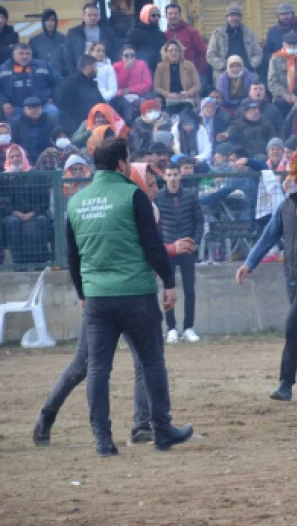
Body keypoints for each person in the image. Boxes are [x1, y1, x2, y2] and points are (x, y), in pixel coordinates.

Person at [65, 137, 194, 454]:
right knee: (152, 363)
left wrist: (82, 293)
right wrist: (168, 281)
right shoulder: (133, 195)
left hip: (97, 298)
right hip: (136, 294)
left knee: (98, 369)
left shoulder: (76, 202)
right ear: (123, 164)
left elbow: (72, 257)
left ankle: (103, 440)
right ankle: (162, 432)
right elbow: (152, 245)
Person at [237, 185, 297, 402]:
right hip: (292, 277)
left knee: (293, 326)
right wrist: (249, 263)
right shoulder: (286, 205)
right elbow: (268, 236)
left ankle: (285, 383)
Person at [154, 163, 204, 343]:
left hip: (187, 248)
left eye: (176, 174)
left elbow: (199, 222)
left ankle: (189, 327)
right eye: (170, 175)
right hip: (167, 249)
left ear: (180, 176)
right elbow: (155, 225)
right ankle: (171, 328)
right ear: (165, 177)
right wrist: (161, 246)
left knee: (189, 288)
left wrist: (194, 242)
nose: (173, 178)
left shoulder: (191, 196)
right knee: (168, 289)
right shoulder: (158, 198)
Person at [3, 143, 53, 263]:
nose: (15, 159)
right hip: (11, 215)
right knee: (13, 223)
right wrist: (16, 213)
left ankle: (40, 262)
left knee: (41, 221)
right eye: (12, 157)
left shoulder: (35, 174)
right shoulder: (3, 178)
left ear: (24, 157)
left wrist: (33, 212)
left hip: (35, 213)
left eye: (18, 156)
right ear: (8, 159)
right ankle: (19, 262)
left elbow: (44, 199)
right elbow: (2, 202)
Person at [1, 42, 62, 123]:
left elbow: (59, 82)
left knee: (53, 111)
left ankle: (52, 135)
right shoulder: (2, 69)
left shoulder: (44, 66)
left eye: (27, 53)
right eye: (21, 53)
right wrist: (4, 102)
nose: (24, 56)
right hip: (15, 108)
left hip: (41, 106)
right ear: (13, 55)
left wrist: (52, 97)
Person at [261, 4, 297, 85]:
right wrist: (276, 63)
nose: (285, 17)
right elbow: (266, 52)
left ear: (292, 14)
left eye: (287, 14)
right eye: (282, 14)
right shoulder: (273, 32)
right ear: (278, 16)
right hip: (281, 74)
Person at [206, 4, 262, 77]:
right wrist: (223, 66)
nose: (235, 18)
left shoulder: (249, 33)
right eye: (232, 15)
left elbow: (258, 54)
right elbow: (210, 55)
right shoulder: (218, 34)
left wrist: (251, 65)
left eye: (238, 15)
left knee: (256, 83)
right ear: (227, 17)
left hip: (247, 71)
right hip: (224, 73)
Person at [64, 3, 119, 75]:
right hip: (80, 73)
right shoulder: (73, 33)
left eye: (95, 15)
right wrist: (74, 73)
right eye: (89, 15)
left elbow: (115, 52)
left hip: (103, 72)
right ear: (83, 16)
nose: (93, 17)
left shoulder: (108, 33)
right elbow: (68, 55)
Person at [267, 32, 297, 116]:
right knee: (281, 103)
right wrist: (286, 95)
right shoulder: (276, 58)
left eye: (294, 45)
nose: (291, 47)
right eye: (289, 45)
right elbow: (272, 82)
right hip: (284, 95)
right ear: (284, 44)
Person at [163, 4, 209, 86]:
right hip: (173, 76)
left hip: (192, 74)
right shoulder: (165, 35)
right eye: (170, 14)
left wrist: (199, 71)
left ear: (180, 15)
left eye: (176, 13)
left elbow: (202, 52)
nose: (173, 16)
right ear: (166, 16)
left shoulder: (192, 32)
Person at [154, 40, 201, 115]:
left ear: (180, 52)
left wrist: (188, 93)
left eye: (176, 50)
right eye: (171, 50)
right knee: (168, 113)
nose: (174, 52)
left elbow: (197, 85)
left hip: (186, 99)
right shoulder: (160, 67)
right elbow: (157, 87)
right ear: (166, 52)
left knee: (186, 113)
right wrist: (167, 94)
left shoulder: (189, 65)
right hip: (169, 99)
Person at [11, 96, 57, 163]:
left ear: (41, 108)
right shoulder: (17, 122)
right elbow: (14, 143)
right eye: (31, 108)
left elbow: (54, 140)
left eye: (37, 108)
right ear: (24, 110)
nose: (34, 110)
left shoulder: (49, 120)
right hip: (24, 158)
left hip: (46, 157)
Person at [125, 5, 167, 74]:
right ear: (145, 16)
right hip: (141, 71)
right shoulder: (135, 32)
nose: (156, 18)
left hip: (159, 70)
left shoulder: (160, 34)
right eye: (153, 16)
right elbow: (128, 49)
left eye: (158, 16)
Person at [113, 45, 154, 109]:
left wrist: (130, 90)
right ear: (121, 57)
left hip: (140, 96)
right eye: (126, 56)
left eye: (132, 55)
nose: (130, 58)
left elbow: (148, 84)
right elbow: (117, 85)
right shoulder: (116, 66)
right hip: (122, 97)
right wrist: (125, 70)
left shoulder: (142, 64)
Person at [30, 9, 67, 76]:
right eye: (47, 20)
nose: (50, 23)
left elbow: (68, 60)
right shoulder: (34, 40)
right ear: (43, 22)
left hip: (60, 77)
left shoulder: (64, 39)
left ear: (56, 22)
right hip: (41, 77)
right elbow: (32, 61)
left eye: (52, 20)